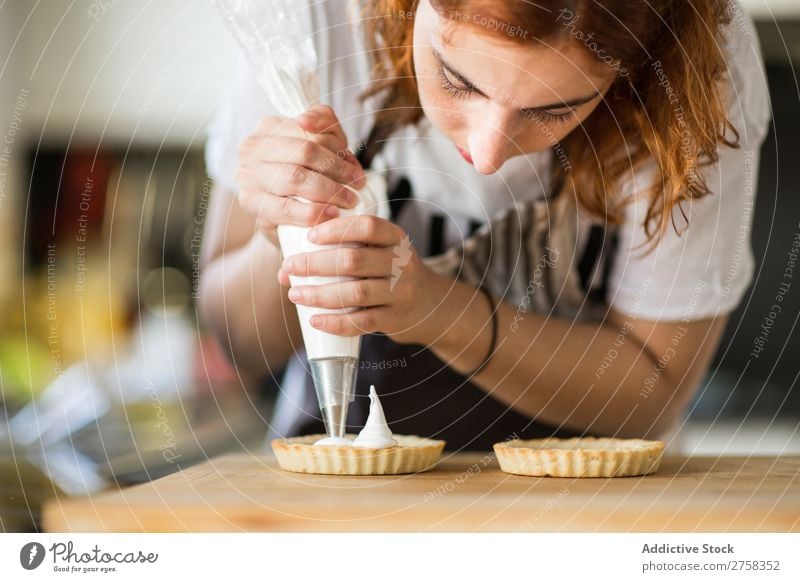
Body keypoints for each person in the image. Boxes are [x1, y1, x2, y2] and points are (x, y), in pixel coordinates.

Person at [199, 0, 770, 450]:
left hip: (583, 513)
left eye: (554, 110)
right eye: (457, 80)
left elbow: (654, 392)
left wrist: (437, 310)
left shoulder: (699, 75)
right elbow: (237, 339)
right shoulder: (312, 22)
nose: (488, 151)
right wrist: (286, 238)